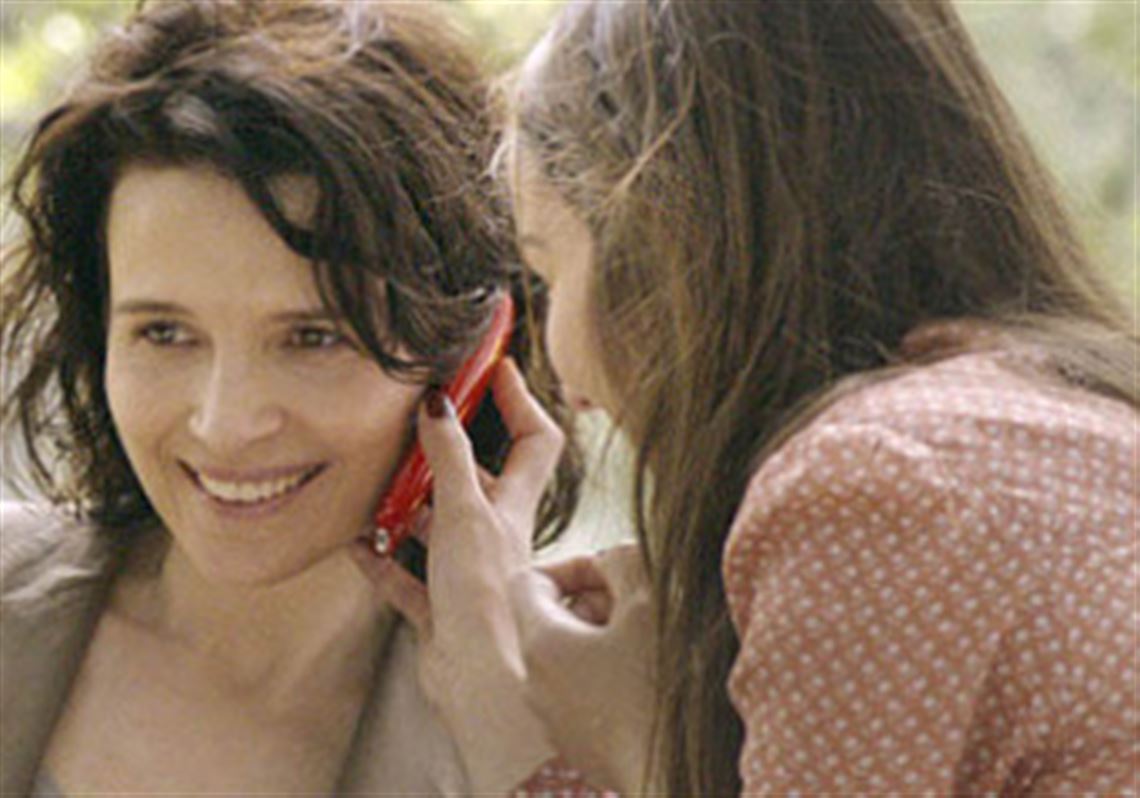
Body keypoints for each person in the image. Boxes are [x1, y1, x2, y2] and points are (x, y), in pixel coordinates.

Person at [360, 0, 1140, 794]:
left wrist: (627, 737)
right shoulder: (1038, 419)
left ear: (657, 247)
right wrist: (499, 693)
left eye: (550, 272)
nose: (566, 383)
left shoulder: (875, 486)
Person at [0, 1, 593, 794]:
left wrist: (500, 708)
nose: (226, 424)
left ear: (470, 356)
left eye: (313, 338)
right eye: (164, 333)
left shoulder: (569, 727)